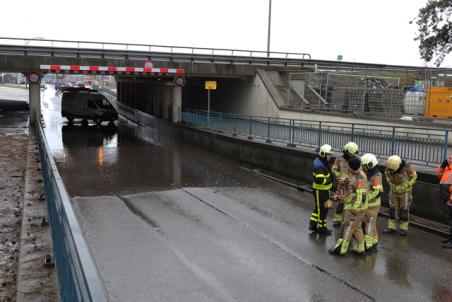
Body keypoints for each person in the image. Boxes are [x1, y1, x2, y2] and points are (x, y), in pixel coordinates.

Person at [330, 157, 368, 256]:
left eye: (348, 166)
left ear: (351, 167)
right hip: (360, 207)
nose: (347, 168)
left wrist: (355, 208)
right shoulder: (358, 174)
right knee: (357, 227)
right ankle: (360, 248)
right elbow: (353, 183)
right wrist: (345, 180)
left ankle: (340, 249)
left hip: (355, 208)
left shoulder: (358, 178)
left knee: (348, 227)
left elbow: (361, 195)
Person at [383, 155, 417, 236]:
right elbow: (386, 174)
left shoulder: (407, 167)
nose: (391, 171)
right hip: (393, 191)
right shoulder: (389, 165)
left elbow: (414, 176)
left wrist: (407, 185)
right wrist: (390, 183)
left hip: (405, 192)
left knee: (404, 210)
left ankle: (403, 228)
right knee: (392, 209)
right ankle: (392, 227)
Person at [331, 142, 359, 227]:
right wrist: (339, 176)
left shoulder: (356, 161)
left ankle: (349, 220)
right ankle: (337, 219)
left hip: (351, 185)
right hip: (342, 186)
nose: (352, 156)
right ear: (346, 152)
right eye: (351, 154)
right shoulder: (339, 159)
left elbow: (359, 172)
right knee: (340, 202)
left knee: (351, 203)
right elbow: (334, 169)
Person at [309, 144, 333, 235]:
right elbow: (319, 180)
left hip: (322, 190)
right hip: (321, 191)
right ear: (323, 154)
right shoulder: (320, 165)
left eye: (330, 154)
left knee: (318, 208)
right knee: (323, 209)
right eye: (328, 154)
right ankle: (322, 228)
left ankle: (313, 225)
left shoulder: (320, 161)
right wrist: (328, 181)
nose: (330, 156)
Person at [361, 153, 383, 251]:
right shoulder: (369, 173)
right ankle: (374, 241)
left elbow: (376, 192)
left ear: (370, 165)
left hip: (373, 204)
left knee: (369, 223)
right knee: (371, 223)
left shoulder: (376, 175)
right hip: (368, 203)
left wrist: (366, 198)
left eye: (364, 165)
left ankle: (369, 244)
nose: (363, 167)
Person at [437, 153, 452, 248]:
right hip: (445, 198)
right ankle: (450, 238)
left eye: (451, 158)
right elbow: (438, 175)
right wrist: (442, 166)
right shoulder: (447, 169)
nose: (448, 159)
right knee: (450, 220)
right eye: (448, 157)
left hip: (450, 199)